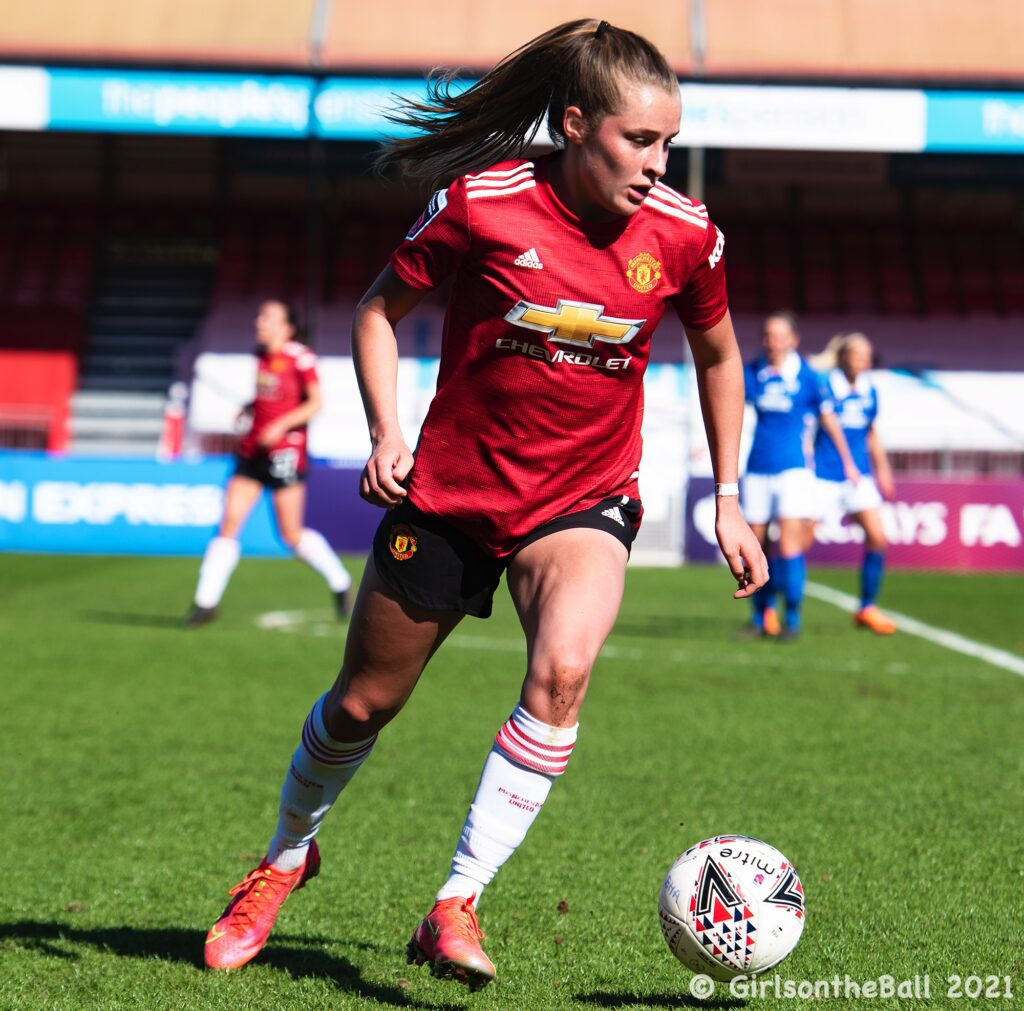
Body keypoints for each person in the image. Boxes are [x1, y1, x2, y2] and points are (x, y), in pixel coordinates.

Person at [201, 19, 767, 990]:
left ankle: (457, 901)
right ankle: (285, 859)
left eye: (668, 140)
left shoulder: (686, 233)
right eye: (639, 140)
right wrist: (387, 431)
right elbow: (378, 313)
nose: (657, 161)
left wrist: (727, 496)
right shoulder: (481, 202)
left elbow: (718, 355)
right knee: (360, 705)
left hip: (584, 498)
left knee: (563, 672)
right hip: (454, 494)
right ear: (577, 122)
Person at [182, 299, 353, 626]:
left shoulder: (300, 357)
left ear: (287, 327)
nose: (260, 321)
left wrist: (280, 426)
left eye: (268, 317)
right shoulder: (261, 355)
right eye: (259, 315)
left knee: (290, 536)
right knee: (229, 523)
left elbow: (315, 403)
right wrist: (250, 408)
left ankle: (340, 581)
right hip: (252, 452)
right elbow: (271, 397)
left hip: (285, 454)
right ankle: (205, 602)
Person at [741, 311, 858, 639]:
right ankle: (762, 616)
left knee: (789, 545)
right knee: (757, 547)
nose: (772, 342)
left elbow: (829, 420)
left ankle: (791, 618)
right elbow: (732, 407)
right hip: (756, 469)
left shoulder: (808, 377)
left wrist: (847, 461)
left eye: (779, 336)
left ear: (793, 340)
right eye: (767, 335)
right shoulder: (753, 371)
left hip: (794, 470)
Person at [812, 332, 897, 634]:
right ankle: (774, 607)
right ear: (844, 356)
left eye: (866, 356)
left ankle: (867, 607)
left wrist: (883, 468)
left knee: (878, 538)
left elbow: (871, 432)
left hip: (859, 476)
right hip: (824, 474)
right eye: (857, 354)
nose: (862, 360)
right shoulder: (826, 385)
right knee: (796, 543)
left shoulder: (870, 390)